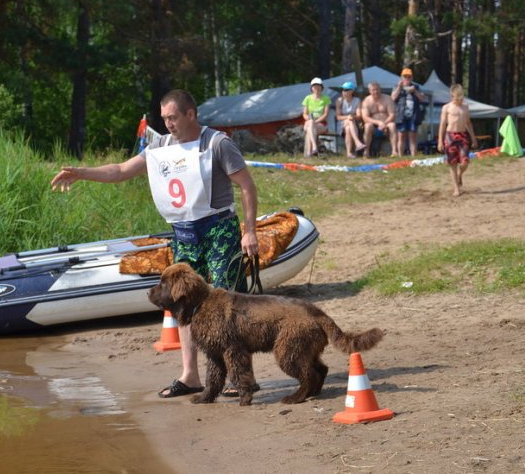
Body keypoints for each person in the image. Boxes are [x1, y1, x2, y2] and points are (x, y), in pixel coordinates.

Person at [50, 89, 259, 399]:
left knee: (227, 302)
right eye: (164, 119)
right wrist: (82, 173)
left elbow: (247, 187)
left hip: (219, 228)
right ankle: (190, 376)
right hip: (184, 233)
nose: (168, 124)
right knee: (182, 303)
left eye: (173, 117)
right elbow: (121, 170)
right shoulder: (159, 145)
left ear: (191, 114)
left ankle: (240, 376)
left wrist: (250, 231)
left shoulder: (218, 143)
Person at [437, 84, 478, 196]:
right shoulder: (447, 108)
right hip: (450, 136)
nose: (459, 101)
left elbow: (468, 123)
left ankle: (460, 174)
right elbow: (442, 125)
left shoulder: (465, 107)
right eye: (456, 98)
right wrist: (440, 141)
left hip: (463, 135)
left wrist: (473, 138)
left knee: (465, 161)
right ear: (452, 96)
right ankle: (456, 188)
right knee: (452, 163)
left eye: (461, 98)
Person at [391, 68, 427, 157]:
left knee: (413, 137)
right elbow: (392, 98)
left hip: (413, 115)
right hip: (401, 115)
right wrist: (399, 88)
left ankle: (413, 156)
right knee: (401, 136)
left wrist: (415, 91)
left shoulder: (416, 87)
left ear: (412, 78)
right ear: (401, 77)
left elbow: (422, 98)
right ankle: (400, 156)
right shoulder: (397, 86)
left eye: (409, 77)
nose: (407, 78)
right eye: (405, 76)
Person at [361, 81, 397, 157]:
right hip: (374, 127)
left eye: (377, 89)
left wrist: (384, 123)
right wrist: (378, 123)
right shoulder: (366, 101)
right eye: (373, 90)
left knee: (392, 125)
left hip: (387, 124)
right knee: (367, 126)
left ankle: (394, 151)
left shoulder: (387, 98)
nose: (376, 92)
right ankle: (366, 151)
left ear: (380, 89)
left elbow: (392, 115)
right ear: (369, 91)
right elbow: (365, 118)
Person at [301, 77, 331, 157]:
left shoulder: (326, 98)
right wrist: (310, 120)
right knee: (310, 125)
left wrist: (315, 122)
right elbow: (304, 114)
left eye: (318, 86)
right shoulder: (307, 98)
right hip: (309, 122)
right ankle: (314, 147)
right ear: (312, 88)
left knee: (310, 129)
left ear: (321, 87)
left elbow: (325, 114)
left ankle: (308, 154)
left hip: (321, 123)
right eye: (314, 86)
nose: (316, 88)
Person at [336, 81, 367, 158]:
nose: (343, 92)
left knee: (348, 128)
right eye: (342, 90)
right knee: (348, 122)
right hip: (341, 123)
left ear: (352, 91)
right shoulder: (339, 101)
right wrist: (348, 117)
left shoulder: (357, 100)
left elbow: (359, 115)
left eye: (346, 90)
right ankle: (357, 143)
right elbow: (338, 117)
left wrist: (352, 117)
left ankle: (349, 153)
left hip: (353, 123)